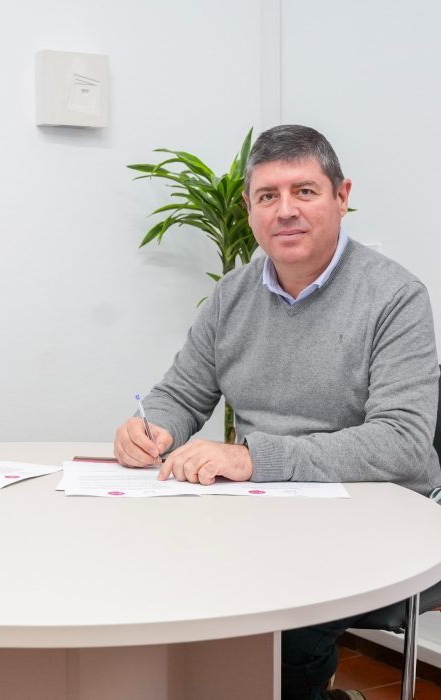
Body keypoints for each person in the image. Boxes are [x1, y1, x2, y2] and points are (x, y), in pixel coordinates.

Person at [114, 124, 440, 700]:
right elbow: (183, 393)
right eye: (268, 195)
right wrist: (152, 427)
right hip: (266, 508)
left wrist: (252, 457)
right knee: (154, 573)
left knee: (277, 624)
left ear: (342, 197)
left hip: (375, 512)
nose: (285, 210)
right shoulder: (232, 295)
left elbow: (401, 443)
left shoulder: (395, 297)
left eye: (304, 191)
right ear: (249, 209)